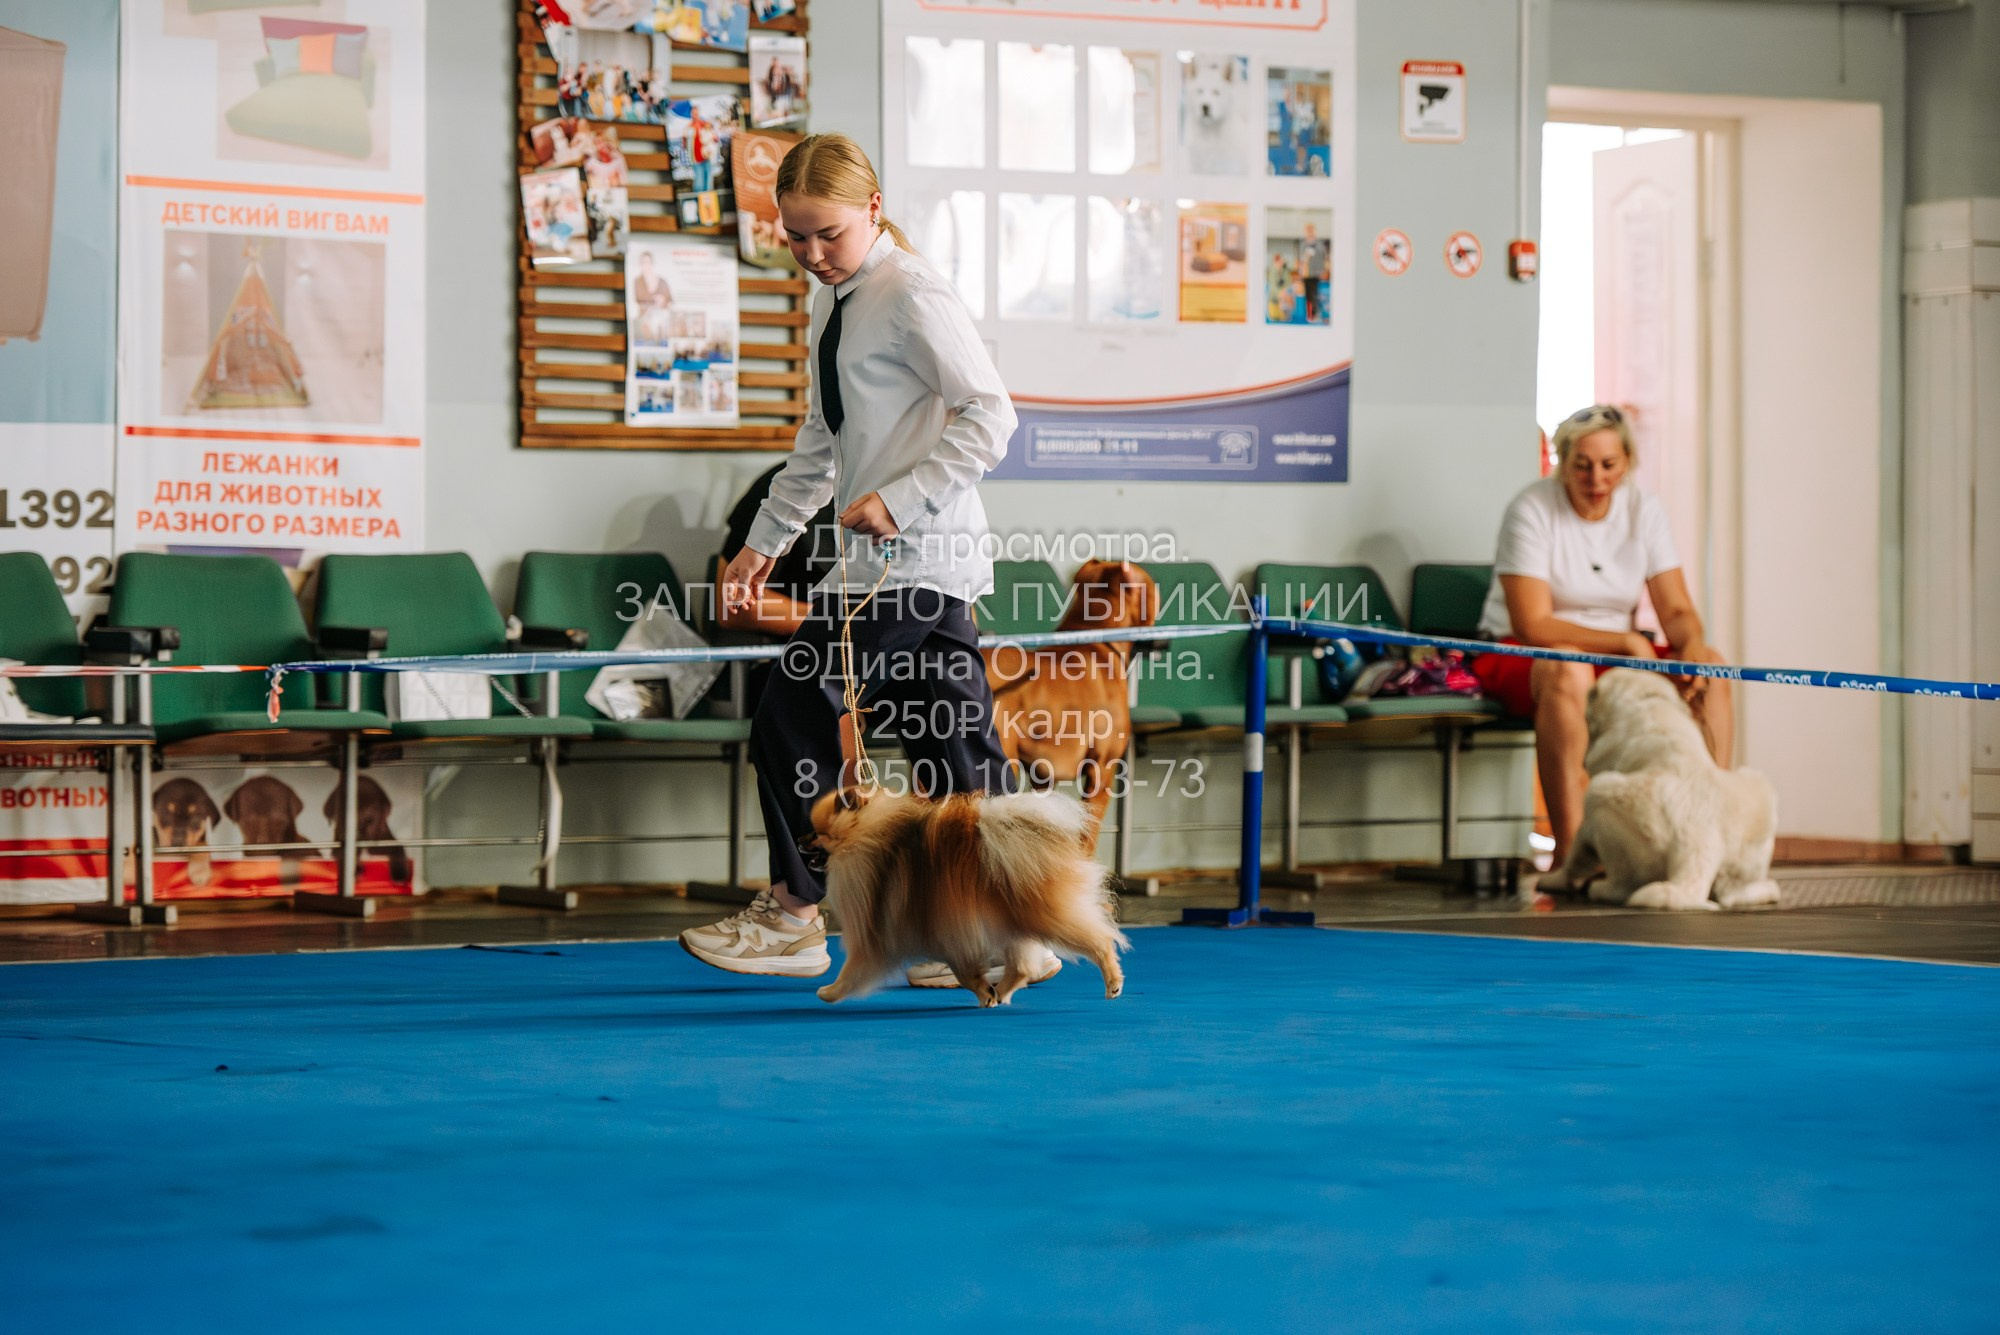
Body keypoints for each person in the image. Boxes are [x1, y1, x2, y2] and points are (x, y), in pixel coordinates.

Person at [680, 133, 1057, 993]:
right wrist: (760, 546)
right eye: (796, 235)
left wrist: (903, 497)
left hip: (906, 562)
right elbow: (821, 443)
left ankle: (794, 913)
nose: (812, 253)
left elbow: (992, 416)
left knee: (790, 715)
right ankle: (1016, 928)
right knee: (956, 753)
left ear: (875, 211)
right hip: (911, 568)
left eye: (829, 234)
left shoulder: (912, 292)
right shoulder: (841, 296)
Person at [1473, 403, 1735, 873]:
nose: (1596, 477)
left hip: (1615, 650)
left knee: (1711, 670)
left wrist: (1692, 645)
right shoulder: (1531, 507)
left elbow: (1676, 610)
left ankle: (1711, 837)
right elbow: (1535, 625)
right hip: (1522, 651)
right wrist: (1628, 644)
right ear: (1562, 462)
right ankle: (1573, 857)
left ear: (1627, 463)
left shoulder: (1644, 509)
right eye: (1582, 465)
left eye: (1609, 465)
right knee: (1568, 667)